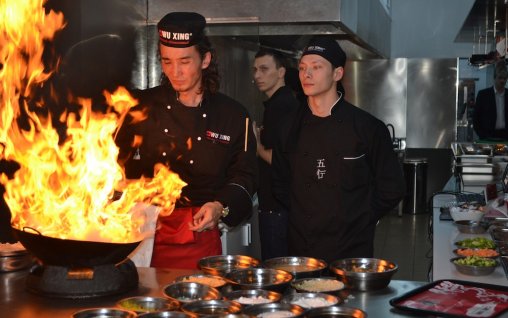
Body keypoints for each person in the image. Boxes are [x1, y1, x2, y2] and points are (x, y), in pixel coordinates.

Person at [116, 12, 257, 269]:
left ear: (205, 59)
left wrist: (219, 206)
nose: (175, 72)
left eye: (184, 61)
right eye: (167, 62)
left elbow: (245, 175)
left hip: (199, 232)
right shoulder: (140, 107)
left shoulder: (233, 115)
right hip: (144, 233)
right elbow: (111, 163)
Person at [271, 36, 405, 263]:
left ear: (337, 74)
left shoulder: (367, 127)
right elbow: (280, 182)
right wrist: (302, 217)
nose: (307, 74)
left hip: (351, 247)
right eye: (303, 68)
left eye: (316, 67)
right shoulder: (288, 126)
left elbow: (392, 188)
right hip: (302, 245)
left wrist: (359, 218)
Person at [252, 49, 299, 260]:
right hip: (279, 204)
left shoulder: (282, 106)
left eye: (264, 69)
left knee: (277, 270)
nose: (257, 76)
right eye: (255, 70)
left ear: (281, 72)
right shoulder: (280, 103)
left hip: (276, 206)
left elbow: (282, 159)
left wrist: (256, 145)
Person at [473, 63, 508, 140]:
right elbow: (475, 119)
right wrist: (482, 135)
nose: (502, 81)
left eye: (505, 78)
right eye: (500, 78)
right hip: (488, 136)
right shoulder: (483, 95)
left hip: (506, 136)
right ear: (494, 78)